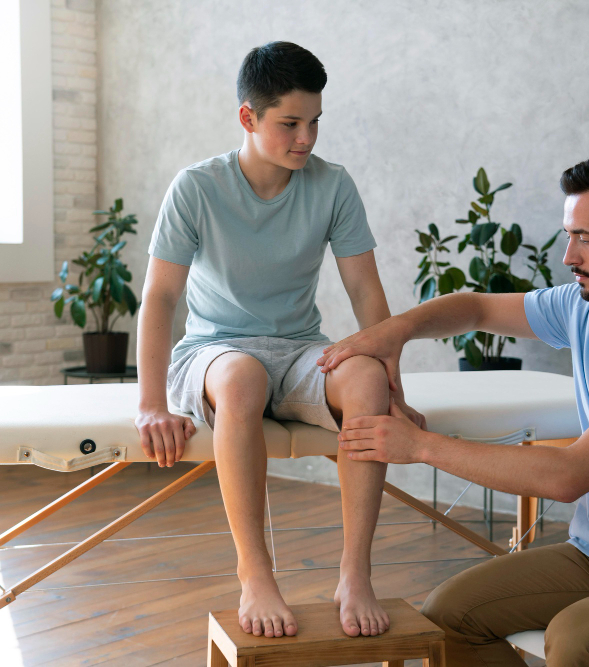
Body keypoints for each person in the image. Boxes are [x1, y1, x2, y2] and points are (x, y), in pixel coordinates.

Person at [318, 150, 589, 666]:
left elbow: (568, 475)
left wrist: (420, 446)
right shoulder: (585, 310)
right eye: (569, 235)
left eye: (586, 239)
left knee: (576, 639)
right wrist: (397, 331)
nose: (569, 256)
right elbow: (477, 307)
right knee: (450, 614)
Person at [135, 42, 425, 640]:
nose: (307, 138)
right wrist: (151, 403)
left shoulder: (332, 186)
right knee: (242, 378)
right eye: (290, 123)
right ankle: (256, 572)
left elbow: (367, 293)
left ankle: (355, 573)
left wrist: (393, 383)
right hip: (215, 352)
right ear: (249, 118)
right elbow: (161, 298)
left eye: (314, 121)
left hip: (297, 350)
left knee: (365, 376)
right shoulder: (196, 187)